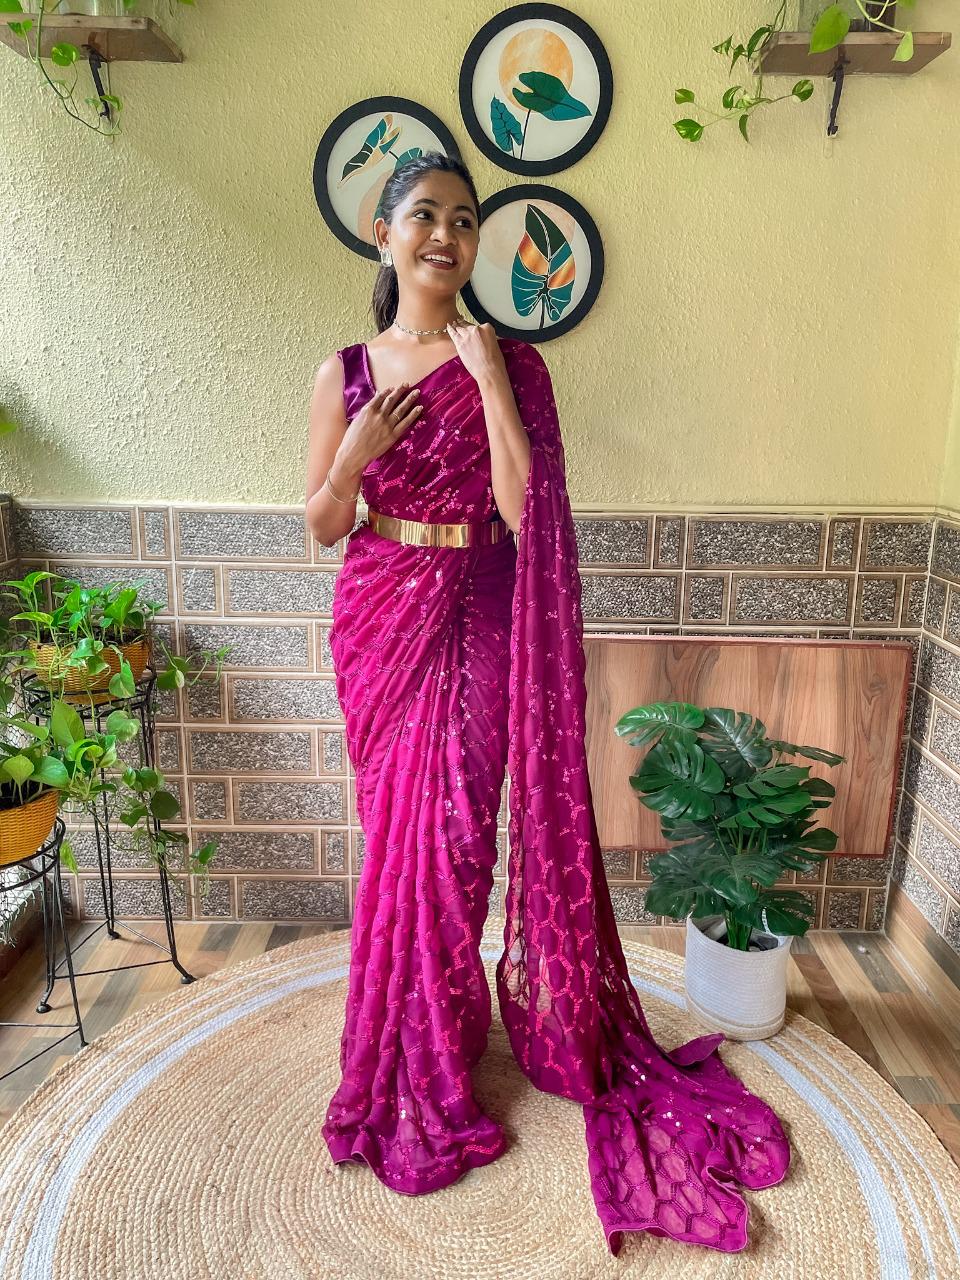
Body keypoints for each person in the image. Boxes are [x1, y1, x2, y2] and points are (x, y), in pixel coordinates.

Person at [303, 151, 790, 1256]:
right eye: (424, 215)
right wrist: (356, 458)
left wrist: (485, 379)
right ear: (384, 235)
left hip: (481, 602)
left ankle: (442, 1042)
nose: (445, 234)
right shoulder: (344, 371)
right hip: (380, 611)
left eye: (463, 219)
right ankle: (403, 1044)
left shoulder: (514, 362)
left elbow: (528, 511)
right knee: (396, 841)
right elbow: (323, 523)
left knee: (457, 840)